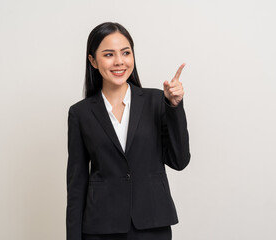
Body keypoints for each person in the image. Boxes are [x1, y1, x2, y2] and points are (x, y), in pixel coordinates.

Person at [66, 22, 191, 240]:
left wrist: (174, 107)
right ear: (93, 61)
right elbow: (76, 185)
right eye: (108, 54)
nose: (119, 61)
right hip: (100, 227)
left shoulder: (157, 101)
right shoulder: (80, 114)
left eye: (126, 52)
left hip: (152, 225)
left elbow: (179, 160)